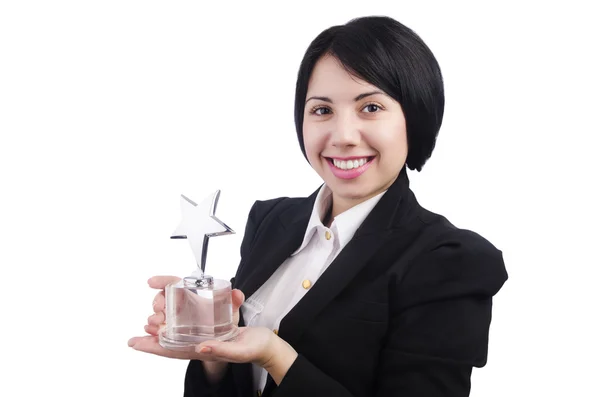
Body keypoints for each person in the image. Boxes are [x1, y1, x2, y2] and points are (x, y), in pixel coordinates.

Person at [128, 15, 508, 397]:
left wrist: (276, 356)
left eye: (371, 108)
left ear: (415, 115)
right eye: (322, 110)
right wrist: (213, 348)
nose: (342, 137)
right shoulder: (271, 220)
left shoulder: (452, 260)